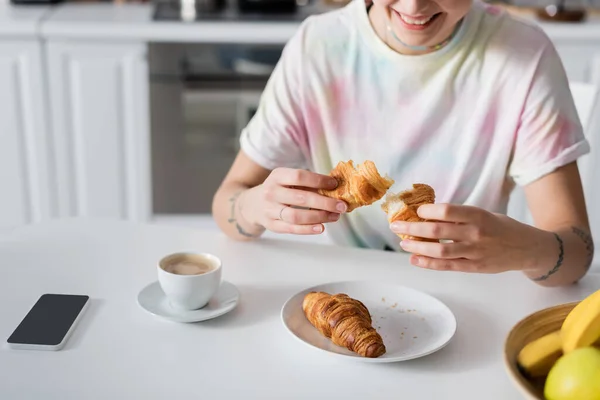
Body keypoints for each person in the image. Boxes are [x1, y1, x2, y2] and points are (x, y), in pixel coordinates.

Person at [212, 0, 595, 287]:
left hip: (472, 300)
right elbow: (228, 202)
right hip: (338, 290)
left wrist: (525, 248)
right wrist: (253, 206)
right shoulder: (317, 46)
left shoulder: (523, 57)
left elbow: (577, 254)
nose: (414, 6)